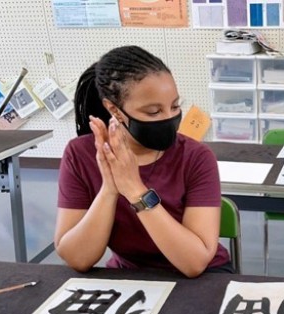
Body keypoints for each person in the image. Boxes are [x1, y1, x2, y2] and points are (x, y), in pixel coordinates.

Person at [55, 45, 232, 276]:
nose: (169, 118)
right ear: (114, 109)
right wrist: (109, 189)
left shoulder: (196, 157)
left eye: (175, 106)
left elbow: (194, 263)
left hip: (202, 277)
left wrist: (135, 190)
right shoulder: (80, 155)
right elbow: (77, 258)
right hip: (130, 274)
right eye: (153, 112)